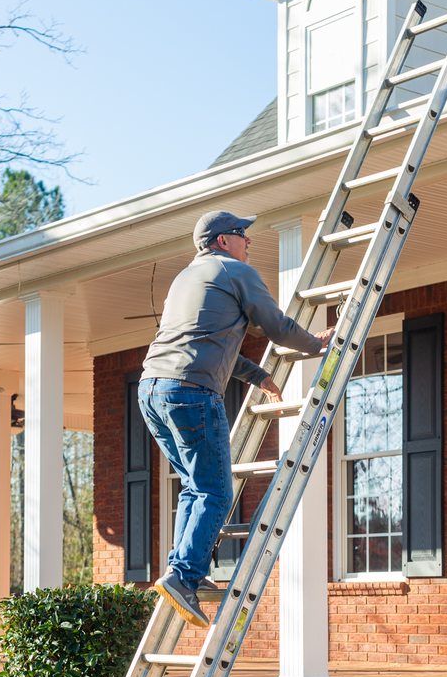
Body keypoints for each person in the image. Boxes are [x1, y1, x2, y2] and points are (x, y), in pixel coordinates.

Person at [138, 210, 333, 628]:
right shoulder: (234, 271)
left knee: (194, 486)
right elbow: (277, 327)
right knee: (216, 492)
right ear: (223, 241)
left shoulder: (185, 279)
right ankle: (184, 576)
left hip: (152, 389)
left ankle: (182, 570)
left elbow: (206, 340)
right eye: (243, 234)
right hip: (191, 392)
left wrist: (258, 375)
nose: (250, 242)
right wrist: (315, 345)